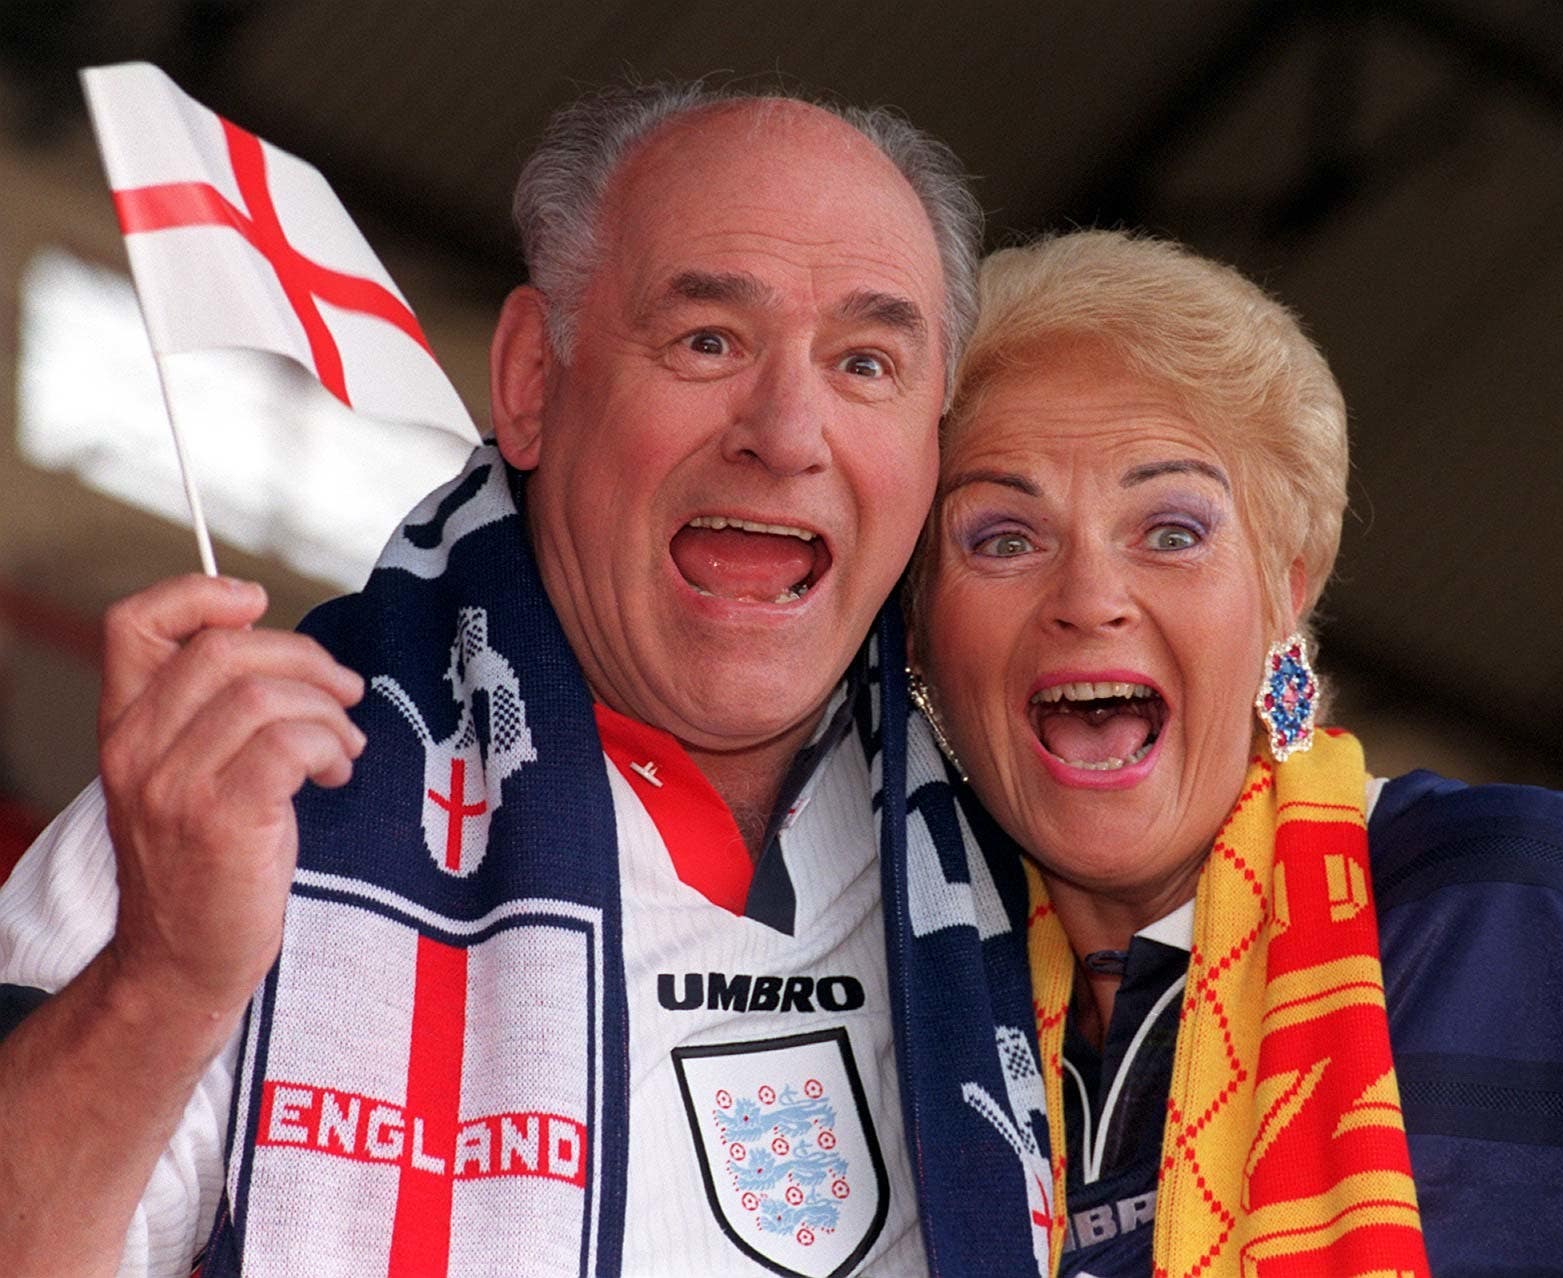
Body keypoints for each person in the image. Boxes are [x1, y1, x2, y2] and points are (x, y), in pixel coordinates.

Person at [0, 81, 978, 1276]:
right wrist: (163, 980)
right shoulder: (247, 796)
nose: (787, 428)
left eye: (867, 362)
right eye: (709, 340)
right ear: (530, 380)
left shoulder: (1012, 860)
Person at [897, 229, 1563, 1275]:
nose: (1090, 600)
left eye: (1171, 531)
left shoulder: (1502, 893)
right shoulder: (908, 1001)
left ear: (1283, 593)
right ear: (921, 630)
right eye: (1003, 539)